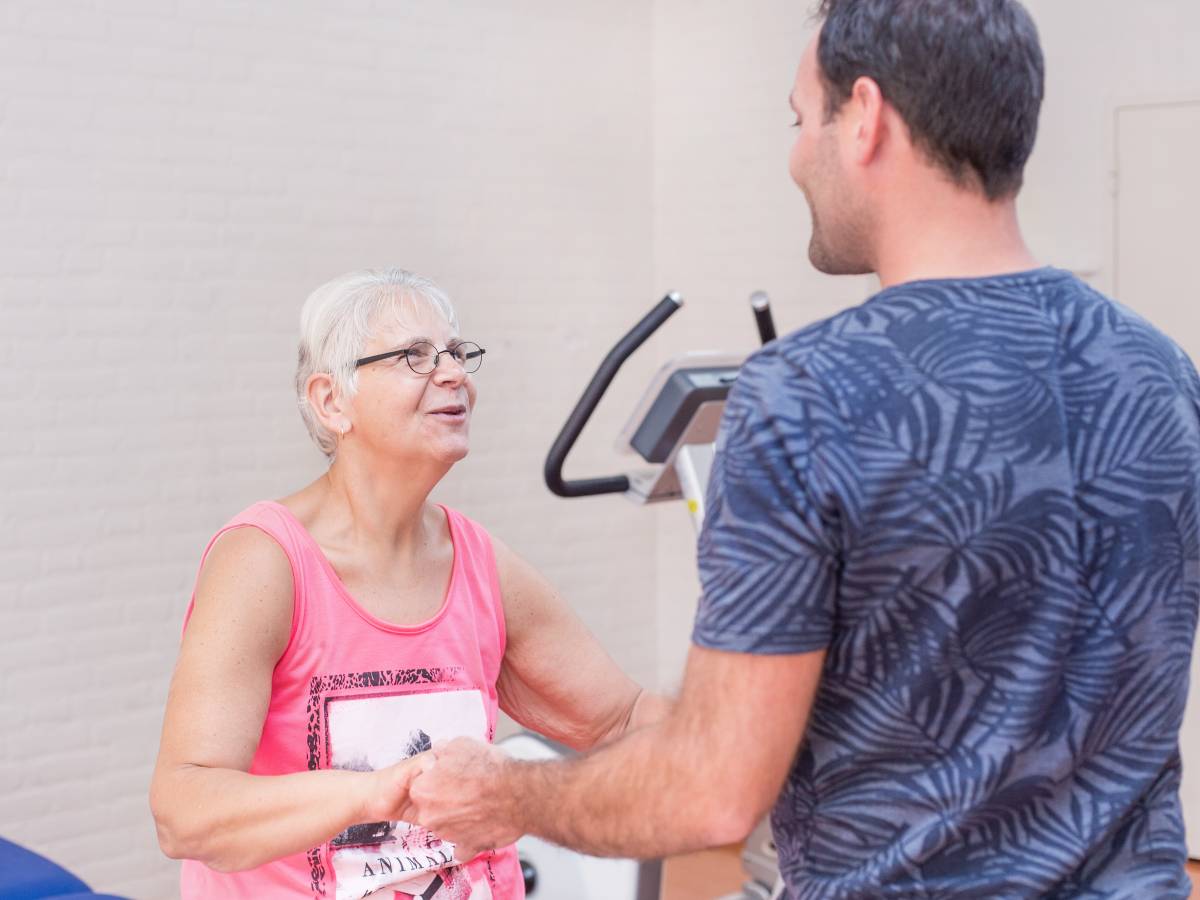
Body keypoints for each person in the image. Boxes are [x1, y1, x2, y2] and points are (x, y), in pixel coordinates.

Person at [401, 1, 1200, 897]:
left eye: (799, 117)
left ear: (865, 118)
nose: (793, 154)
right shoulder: (1163, 375)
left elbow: (711, 794)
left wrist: (507, 794)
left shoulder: (806, 395)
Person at [148, 268, 667, 900]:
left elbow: (623, 717)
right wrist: (379, 791)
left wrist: (770, 717)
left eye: (455, 353)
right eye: (413, 357)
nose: (454, 375)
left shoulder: (479, 563)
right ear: (331, 400)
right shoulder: (265, 562)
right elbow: (185, 811)